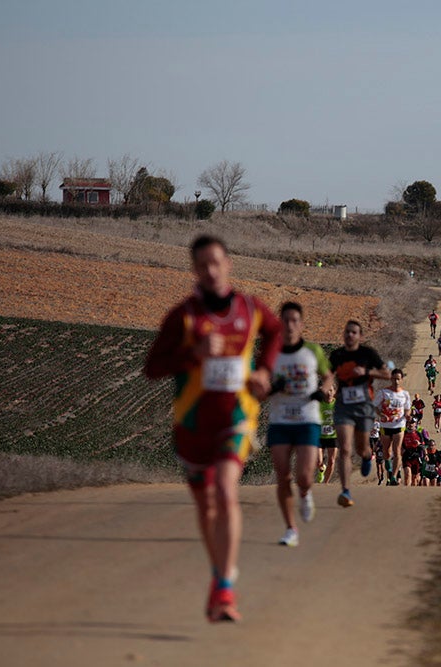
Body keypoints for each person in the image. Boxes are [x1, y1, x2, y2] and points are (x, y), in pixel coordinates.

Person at [144, 234, 282, 623]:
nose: (211, 270)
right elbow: (153, 368)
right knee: (205, 506)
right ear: (194, 270)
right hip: (192, 424)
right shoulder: (184, 316)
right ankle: (218, 576)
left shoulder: (250, 308)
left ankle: (225, 585)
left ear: (228, 264)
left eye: (216, 262)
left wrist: (264, 371)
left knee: (225, 490)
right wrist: (192, 354)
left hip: (236, 418)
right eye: (202, 264)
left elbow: (273, 333)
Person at [265, 301, 334, 548]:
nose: (290, 325)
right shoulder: (271, 352)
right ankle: (290, 528)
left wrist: (322, 391)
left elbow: (327, 376)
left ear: (301, 324)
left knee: (304, 476)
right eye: (285, 320)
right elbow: (259, 384)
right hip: (280, 420)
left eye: (295, 320)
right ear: (280, 323)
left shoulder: (312, 351)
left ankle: (305, 493)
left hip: (307, 420)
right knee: (283, 476)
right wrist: (272, 387)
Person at [328, 319, 392, 507]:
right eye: (347, 332)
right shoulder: (337, 355)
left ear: (360, 336)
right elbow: (328, 376)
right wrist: (324, 388)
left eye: (354, 332)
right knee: (345, 448)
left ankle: (366, 456)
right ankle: (346, 491)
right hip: (343, 405)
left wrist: (366, 371)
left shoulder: (368, 354)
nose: (350, 335)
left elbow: (387, 374)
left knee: (361, 447)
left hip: (363, 406)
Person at [375, 367, 411, 488]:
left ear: (401, 379)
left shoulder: (405, 394)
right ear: (391, 379)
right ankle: (389, 472)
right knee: (387, 452)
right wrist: (381, 414)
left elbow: (407, 408)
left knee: (397, 451)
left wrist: (407, 415)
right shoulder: (383, 393)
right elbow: (375, 406)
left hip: (399, 425)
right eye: (394, 379)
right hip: (386, 425)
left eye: (398, 379)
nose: (396, 381)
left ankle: (394, 477)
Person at [318, 391, 338, 484]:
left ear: (334, 392)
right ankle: (321, 468)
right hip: (319, 435)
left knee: (331, 460)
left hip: (333, 436)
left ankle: (326, 483)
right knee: (318, 461)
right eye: (327, 390)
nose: (329, 393)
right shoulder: (319, 403)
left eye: (331, 390)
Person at [400, 419, 423, 486]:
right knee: (407, 475)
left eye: (412, 423)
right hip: (406, 455)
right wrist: (401, 449)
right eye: (409, 423)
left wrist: (419, 444)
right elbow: (398, 443)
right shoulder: (404, 433)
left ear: (415, 424)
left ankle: (413, 492)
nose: (411, 424)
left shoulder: (418, 434)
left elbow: (424, 446)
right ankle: (406, 492)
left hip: (416, 456)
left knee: (415, 478)